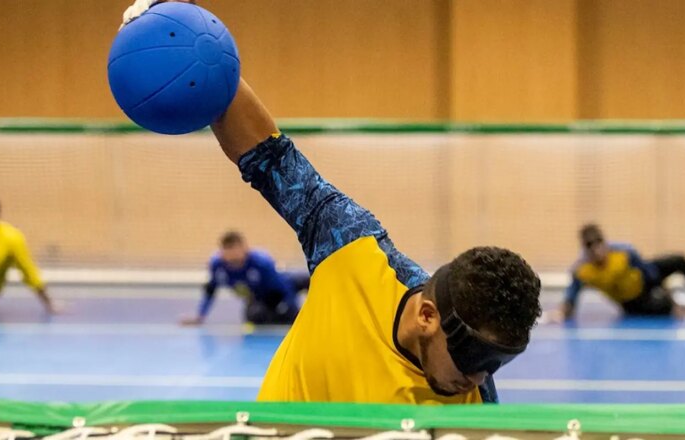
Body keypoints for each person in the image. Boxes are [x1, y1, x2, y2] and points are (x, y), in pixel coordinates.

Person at [120, 0, 541, 404]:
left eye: (497, 365)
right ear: (428, 316)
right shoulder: (353, 247)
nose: (478, 378)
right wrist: (192, 39)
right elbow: (270, 160)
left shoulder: (475, 408)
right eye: (475, 359)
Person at [556, 223, 685, 320]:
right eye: (590, 246)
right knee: (663, 308)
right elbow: (571, 295)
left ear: (604, 242)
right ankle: (677, 304)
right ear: (585, 249)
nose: (597, 250)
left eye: (599, 243)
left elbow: (649, 272)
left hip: (646, 283)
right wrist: (563, 312)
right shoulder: (582, 271)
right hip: (631, 301)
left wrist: (662, 290)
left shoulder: (624, 252)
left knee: (679, 260)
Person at [182, 231, 309, 325]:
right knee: (255, 316)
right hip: (258, 298)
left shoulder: (261, 262)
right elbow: (210, 290)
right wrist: (200, 316)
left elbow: (283, 288)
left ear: (244, 248)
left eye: (235, 249)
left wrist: (293, 310)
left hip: (279, 289)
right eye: (228, 251)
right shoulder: (217, 266)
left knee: (306, 281)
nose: (233, 255)